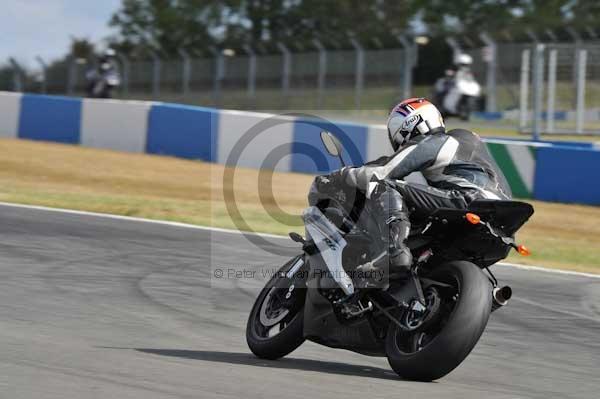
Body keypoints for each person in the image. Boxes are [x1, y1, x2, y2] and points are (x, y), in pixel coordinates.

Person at [327, 98, 511, 275]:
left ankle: (394, 251)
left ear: (406, 127)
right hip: (501, 221)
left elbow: (382, 172)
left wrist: (343, 175)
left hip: (469, 200)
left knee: (384, 186)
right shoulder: (466, 144)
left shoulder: (436, 141)